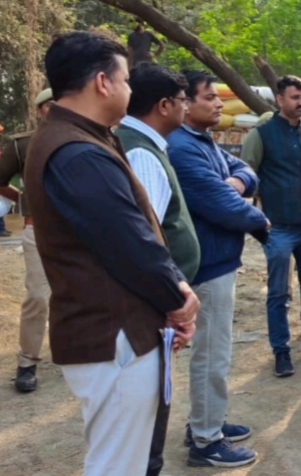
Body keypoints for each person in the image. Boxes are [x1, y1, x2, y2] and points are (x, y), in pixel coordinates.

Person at [23, 31, 199, 475]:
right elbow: (130, 244)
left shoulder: (81, 137)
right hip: (113, 332)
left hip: (115, 326)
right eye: (125, 80)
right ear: (103, 82)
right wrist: (179, 299)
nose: (129, 91)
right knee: (118, 466)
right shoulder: (77, 152)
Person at [168, 69, 269, 468]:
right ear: (184, 103)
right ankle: (206, 441)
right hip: (206, 266)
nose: (217, 103)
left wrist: (238, 183)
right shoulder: (182, 148)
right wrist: (261, 221)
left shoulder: (202, 140)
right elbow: (223, 206)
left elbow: (247, 171)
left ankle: (207, 421)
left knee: (216, 352)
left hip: (219, 260)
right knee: (211, 354)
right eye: (209, 97)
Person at [115, 63, 205, 476]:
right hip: (155, 306)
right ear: (165, 105)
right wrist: (172, 300)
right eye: (184, 100)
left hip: (159, 302)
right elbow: (144, 242)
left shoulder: (147, 145)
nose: (187, 108)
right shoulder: (141, 153)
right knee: (148, 416)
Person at [241, 75, 301, 377]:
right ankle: (281, 351)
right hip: (279, 228)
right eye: (295, 97)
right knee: (278, 292)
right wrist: (257, 218)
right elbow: (247, 177)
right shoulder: (261, 135)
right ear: (280, 100)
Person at [0, 88, 54, 393]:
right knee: (38, 295)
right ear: (39, 111)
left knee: (81, 293)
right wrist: (25, 201)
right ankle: (27, 361)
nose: (54, 110)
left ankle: (78, 351)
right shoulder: (23, 144)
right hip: (38, 230)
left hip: (78, 232)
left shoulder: (85, 137)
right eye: (48, 106)